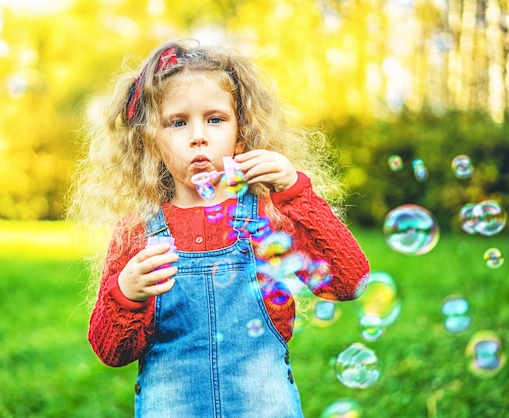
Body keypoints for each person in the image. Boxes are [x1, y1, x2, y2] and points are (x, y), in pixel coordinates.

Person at [68, 38, 370, 418]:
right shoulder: (138, 231)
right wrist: (126, 292)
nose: (198, 135)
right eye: (177, 122)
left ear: (241, 133)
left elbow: (349, 281)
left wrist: (294, 191)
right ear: (152, 142)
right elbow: (112, 350)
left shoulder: (269, 215)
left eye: (215, 119)